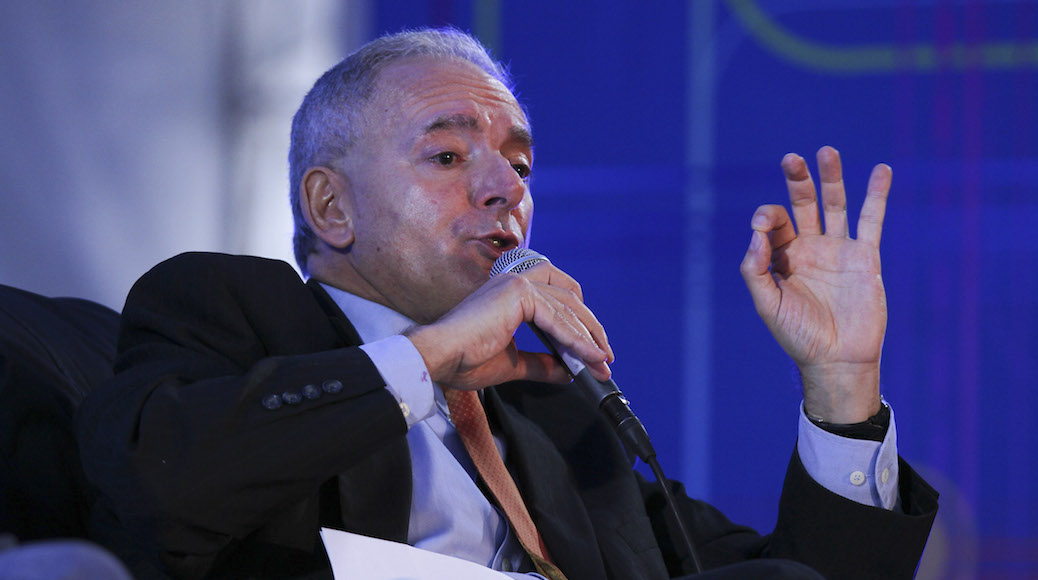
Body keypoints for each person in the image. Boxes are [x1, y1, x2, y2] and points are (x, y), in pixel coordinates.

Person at [77, 28, 937, 579]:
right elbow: (158, 487)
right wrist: (431, 356)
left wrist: (841, 384)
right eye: (448, 157)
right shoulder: (232, 310)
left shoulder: (556, 419)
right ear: (331, 207)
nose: (506, 189)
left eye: (520, 165)